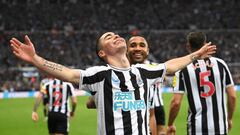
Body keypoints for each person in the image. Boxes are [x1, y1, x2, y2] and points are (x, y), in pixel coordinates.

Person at [10, 32, 216, 135]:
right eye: (108, 37)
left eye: (116, 35)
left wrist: (195, 55)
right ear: (102, 53)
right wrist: (35, 59)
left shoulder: (143, 71)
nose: (116, 36)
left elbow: (170, 66)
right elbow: (68, 74)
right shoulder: (99, 75)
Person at [167, 32, 236, 135]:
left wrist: (170, 124)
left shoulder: (182, 69)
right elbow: (232, 96)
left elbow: (176, 103)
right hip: (220, 127)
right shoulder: (221, 64)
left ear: (188, 46)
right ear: (205, 44)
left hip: (196, 128)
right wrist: (229, 118)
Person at [127, 36, 166, 135]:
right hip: (147, 105)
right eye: (133, 45)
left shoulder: (154, 68)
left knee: (160, 131)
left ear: (147, 50)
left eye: (142, 45)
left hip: (155, 105)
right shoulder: (154, 66)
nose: (138, 48)